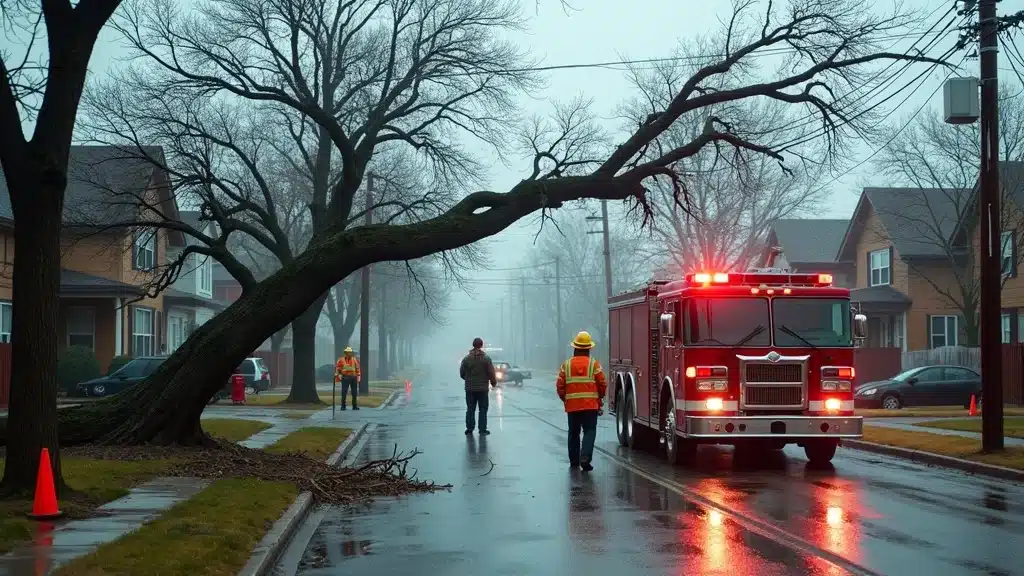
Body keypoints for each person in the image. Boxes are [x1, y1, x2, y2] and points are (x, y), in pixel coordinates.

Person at [556, 331, 607, 471]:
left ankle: (574, 461)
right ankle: (585, 457)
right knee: (589, 431)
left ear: (575, 348)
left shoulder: (566, 365)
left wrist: (565, 399)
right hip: (590, 406)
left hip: (572, 407)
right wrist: (600, 398)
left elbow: (560, 385)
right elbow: (602, 383)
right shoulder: (594, 365)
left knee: (573, 433)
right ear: (588, 349)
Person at [460, 337, 496, 435]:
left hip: (470, 389)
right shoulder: (486, 358)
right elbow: (491, 373)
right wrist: (493, 382)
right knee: (483, 409)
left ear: (473, 345)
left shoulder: (467, 359)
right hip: (483, 389)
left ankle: (469, 429)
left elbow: (462, 373)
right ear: (481, 345)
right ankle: (482, 429)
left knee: (470, 408)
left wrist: (468, 380)